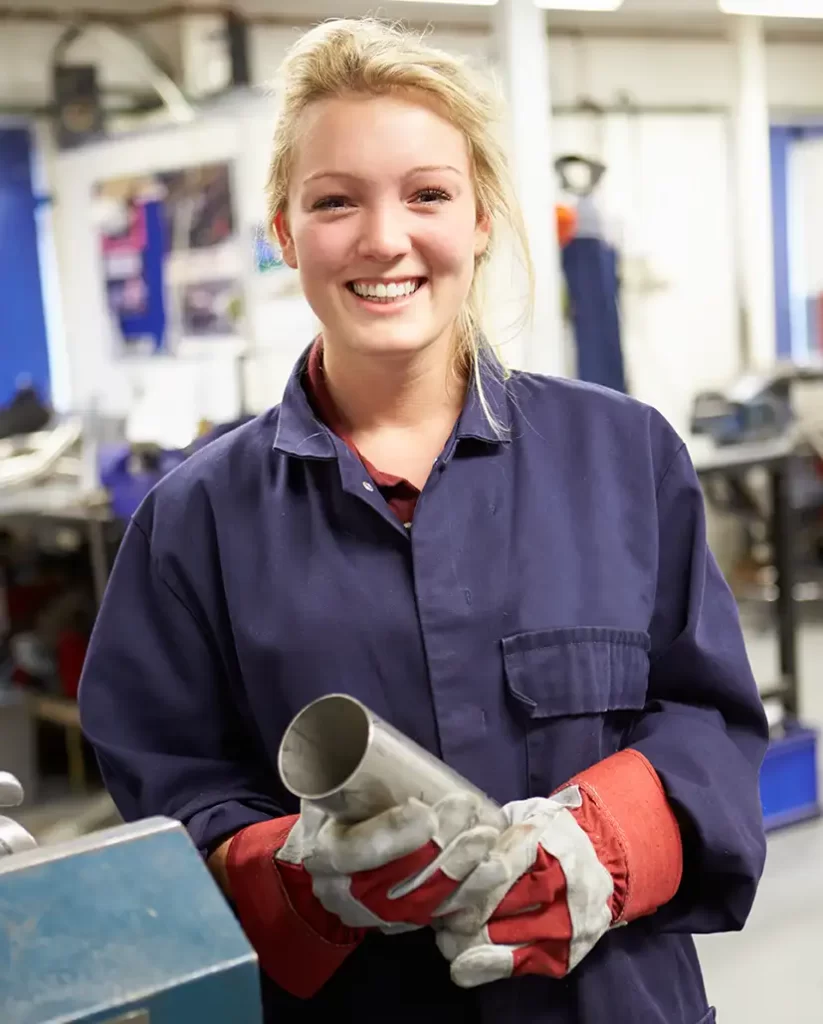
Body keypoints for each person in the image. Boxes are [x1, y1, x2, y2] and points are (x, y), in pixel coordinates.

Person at [78, 17, 768, 1024]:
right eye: (335, 201)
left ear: (482, 216)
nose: (384, 239)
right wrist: (299, 878)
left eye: (428, 194)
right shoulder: (195, 521)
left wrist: (606, 843)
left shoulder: (624, 456)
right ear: (283, 232)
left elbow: (708, 723)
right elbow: (170, 800)